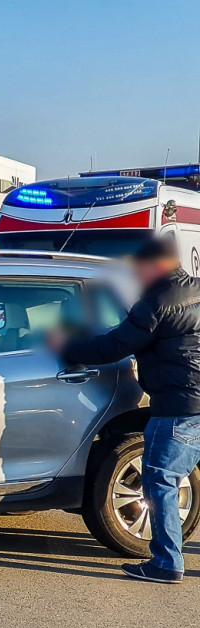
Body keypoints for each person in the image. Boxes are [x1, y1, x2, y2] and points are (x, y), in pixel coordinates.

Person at [54, 237, 200, 584]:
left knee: (160, 481)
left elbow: (115, 345)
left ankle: (166, 563)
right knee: (170, 477)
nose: (137, 275)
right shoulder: (195, 290)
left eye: (140, 268)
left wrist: (67, 345)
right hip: (192, 402)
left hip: (178, 407)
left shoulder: (156, 302)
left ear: (156, 265)